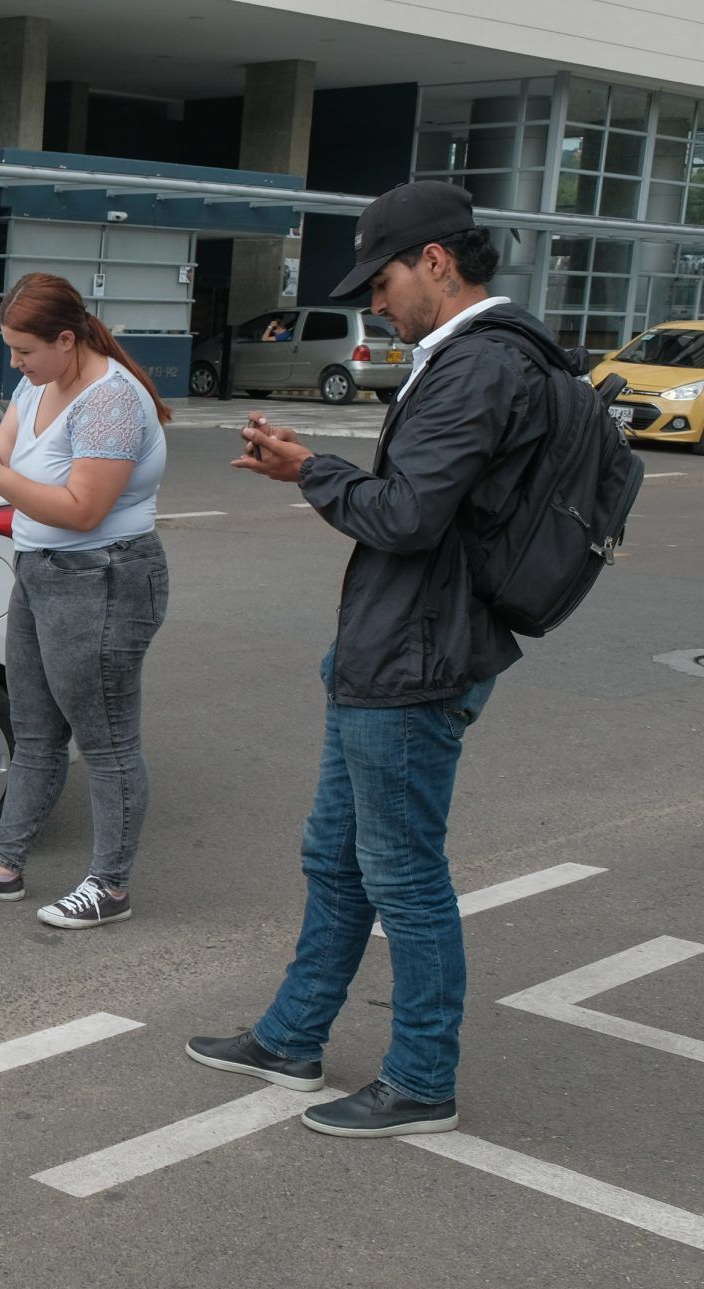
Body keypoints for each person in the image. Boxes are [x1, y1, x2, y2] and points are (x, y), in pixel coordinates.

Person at [188, 180, 549, 1138]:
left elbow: (403, 514)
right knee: (338, 859)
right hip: (396, 647)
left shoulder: (476, 368)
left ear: (435, 261)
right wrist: (312, 471)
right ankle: (293, 1036)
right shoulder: (482, 359)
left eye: (381, 281)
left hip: (417, 660)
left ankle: (423, 1078)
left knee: (403, 875)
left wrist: (310, 469)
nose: (373, 303)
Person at [0, 271, 171, 929]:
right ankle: (3, 867)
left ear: (67, 337)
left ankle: (110, 886)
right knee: (33, 731)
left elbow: (84, 510)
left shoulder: (111, 400)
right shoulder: (37, 384)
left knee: (108, 740)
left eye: (25, 349)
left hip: (103, 575)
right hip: (40, 570)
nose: (15, 363)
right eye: (11, 348)